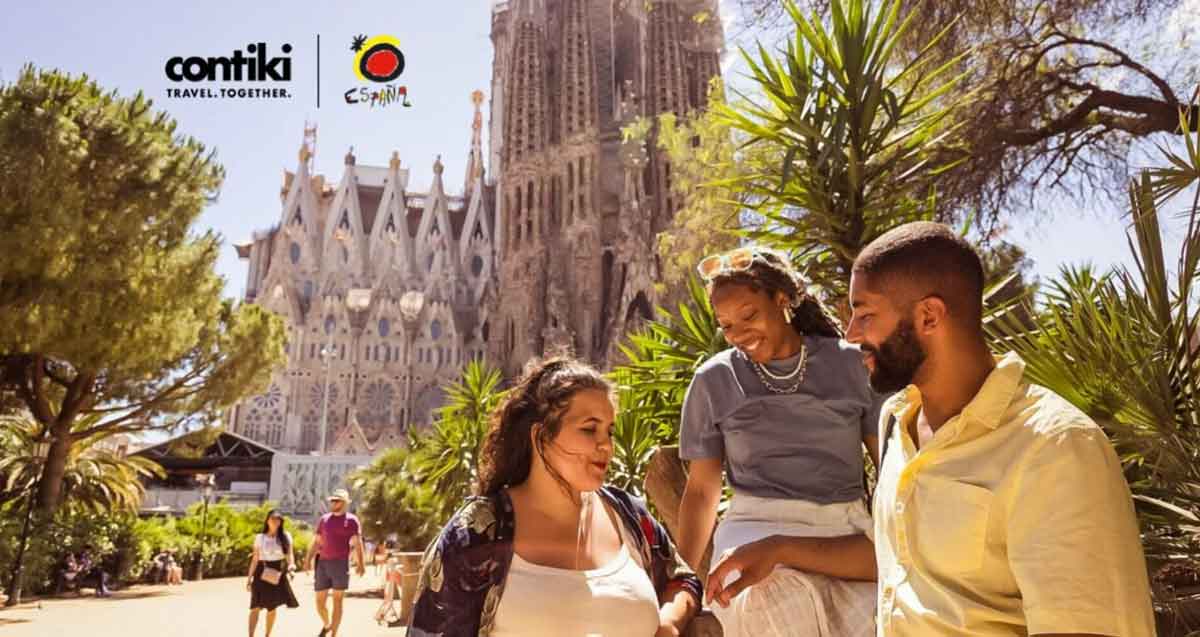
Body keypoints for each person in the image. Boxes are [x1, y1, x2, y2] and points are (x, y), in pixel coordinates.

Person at [845, 221, 1156, 636]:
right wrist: (779, 550)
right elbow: (901, 563)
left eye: (865, 315)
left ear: (929, 316)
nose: (851, 335)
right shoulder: (895, 424)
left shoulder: (1053, 447)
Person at [409, 357, 702, 637]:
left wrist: (670, 624)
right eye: (589, 429)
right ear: (540, 437)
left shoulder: (627, 515)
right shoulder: (479, 531)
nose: (606, 446)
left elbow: (683, 579)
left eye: (609, 431)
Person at [677, 246, 880, 637]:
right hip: (753, 528)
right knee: (772, 603)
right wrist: (681, 583)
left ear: (783, 300)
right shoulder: (713, 380)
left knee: (881, 614)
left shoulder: (852, 365)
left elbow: (889, 465)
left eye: (749, 316)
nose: (738, 335)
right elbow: (702, 492)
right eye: (727, 325)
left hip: (843, 530)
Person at [305, 489, 366, 637]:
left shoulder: (352, 520)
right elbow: (317, 542)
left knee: (337, 601)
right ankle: (327, 624)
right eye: (332, 500)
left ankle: (334, 634)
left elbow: (358, 543)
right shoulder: (324, 519)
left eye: (337, 500)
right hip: (323, 563)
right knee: (319, 603)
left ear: (345, 503)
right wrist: (308, 559)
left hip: (340, 563)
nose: (333, 502)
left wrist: (361, 564)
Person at [247, 509, 300, 637]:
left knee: (272, 607)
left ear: (281, 522)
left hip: (276, 572)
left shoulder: (285, 536)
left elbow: (289, 555)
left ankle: (267, 635)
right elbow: (255, 559)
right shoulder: (260, 538)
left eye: (278, 519)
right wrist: (249, 578)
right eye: (272, 518)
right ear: (267, 520)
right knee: (255, 606)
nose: (275, 521)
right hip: (260, 572)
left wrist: (291, 567)